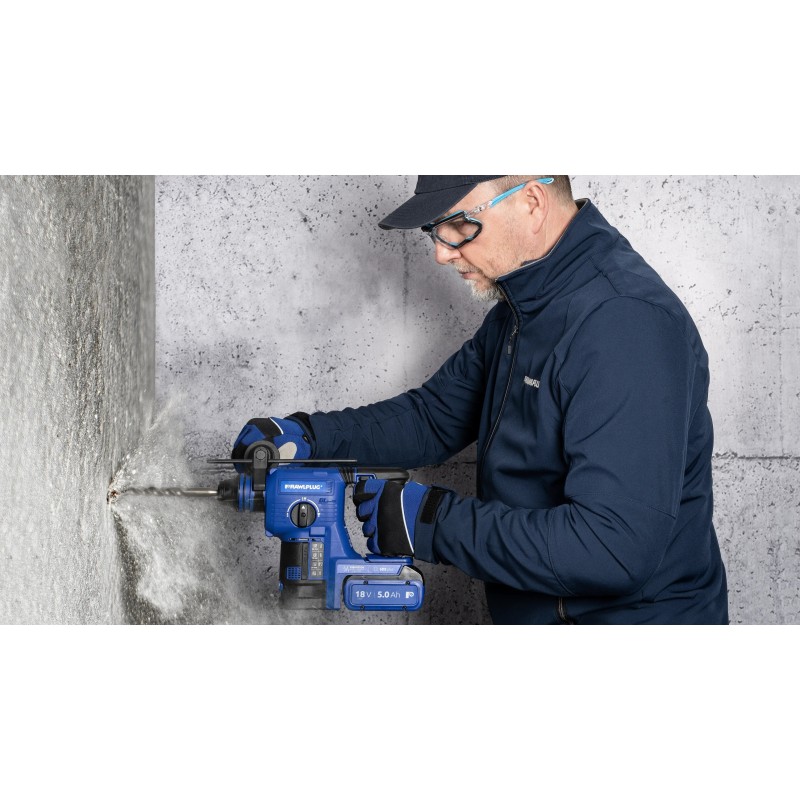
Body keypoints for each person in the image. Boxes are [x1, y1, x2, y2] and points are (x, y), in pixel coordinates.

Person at [233, 175, 729, 624]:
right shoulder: (525, 307)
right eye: (436, 230)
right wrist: (308, 436)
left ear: (532, 202)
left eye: (460, 226)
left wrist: (430, 521)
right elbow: (433, 418)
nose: (441, 253)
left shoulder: (624, 323)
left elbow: (612, 548)